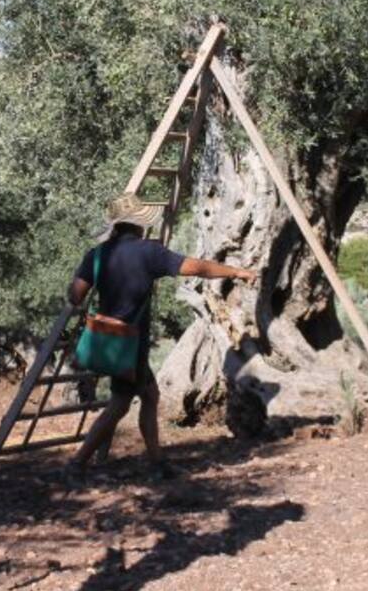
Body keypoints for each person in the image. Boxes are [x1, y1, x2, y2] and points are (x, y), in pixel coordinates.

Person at [64, 192, 258, 480]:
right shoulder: (149, 252)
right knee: (119, 404)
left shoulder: (97, 254)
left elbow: (75, 295)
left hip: (107, 339)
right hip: (130, 343)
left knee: (150, 396)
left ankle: (156, 463)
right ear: (139, 224)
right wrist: (236, 272)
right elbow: (198, 267)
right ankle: (77, 463)